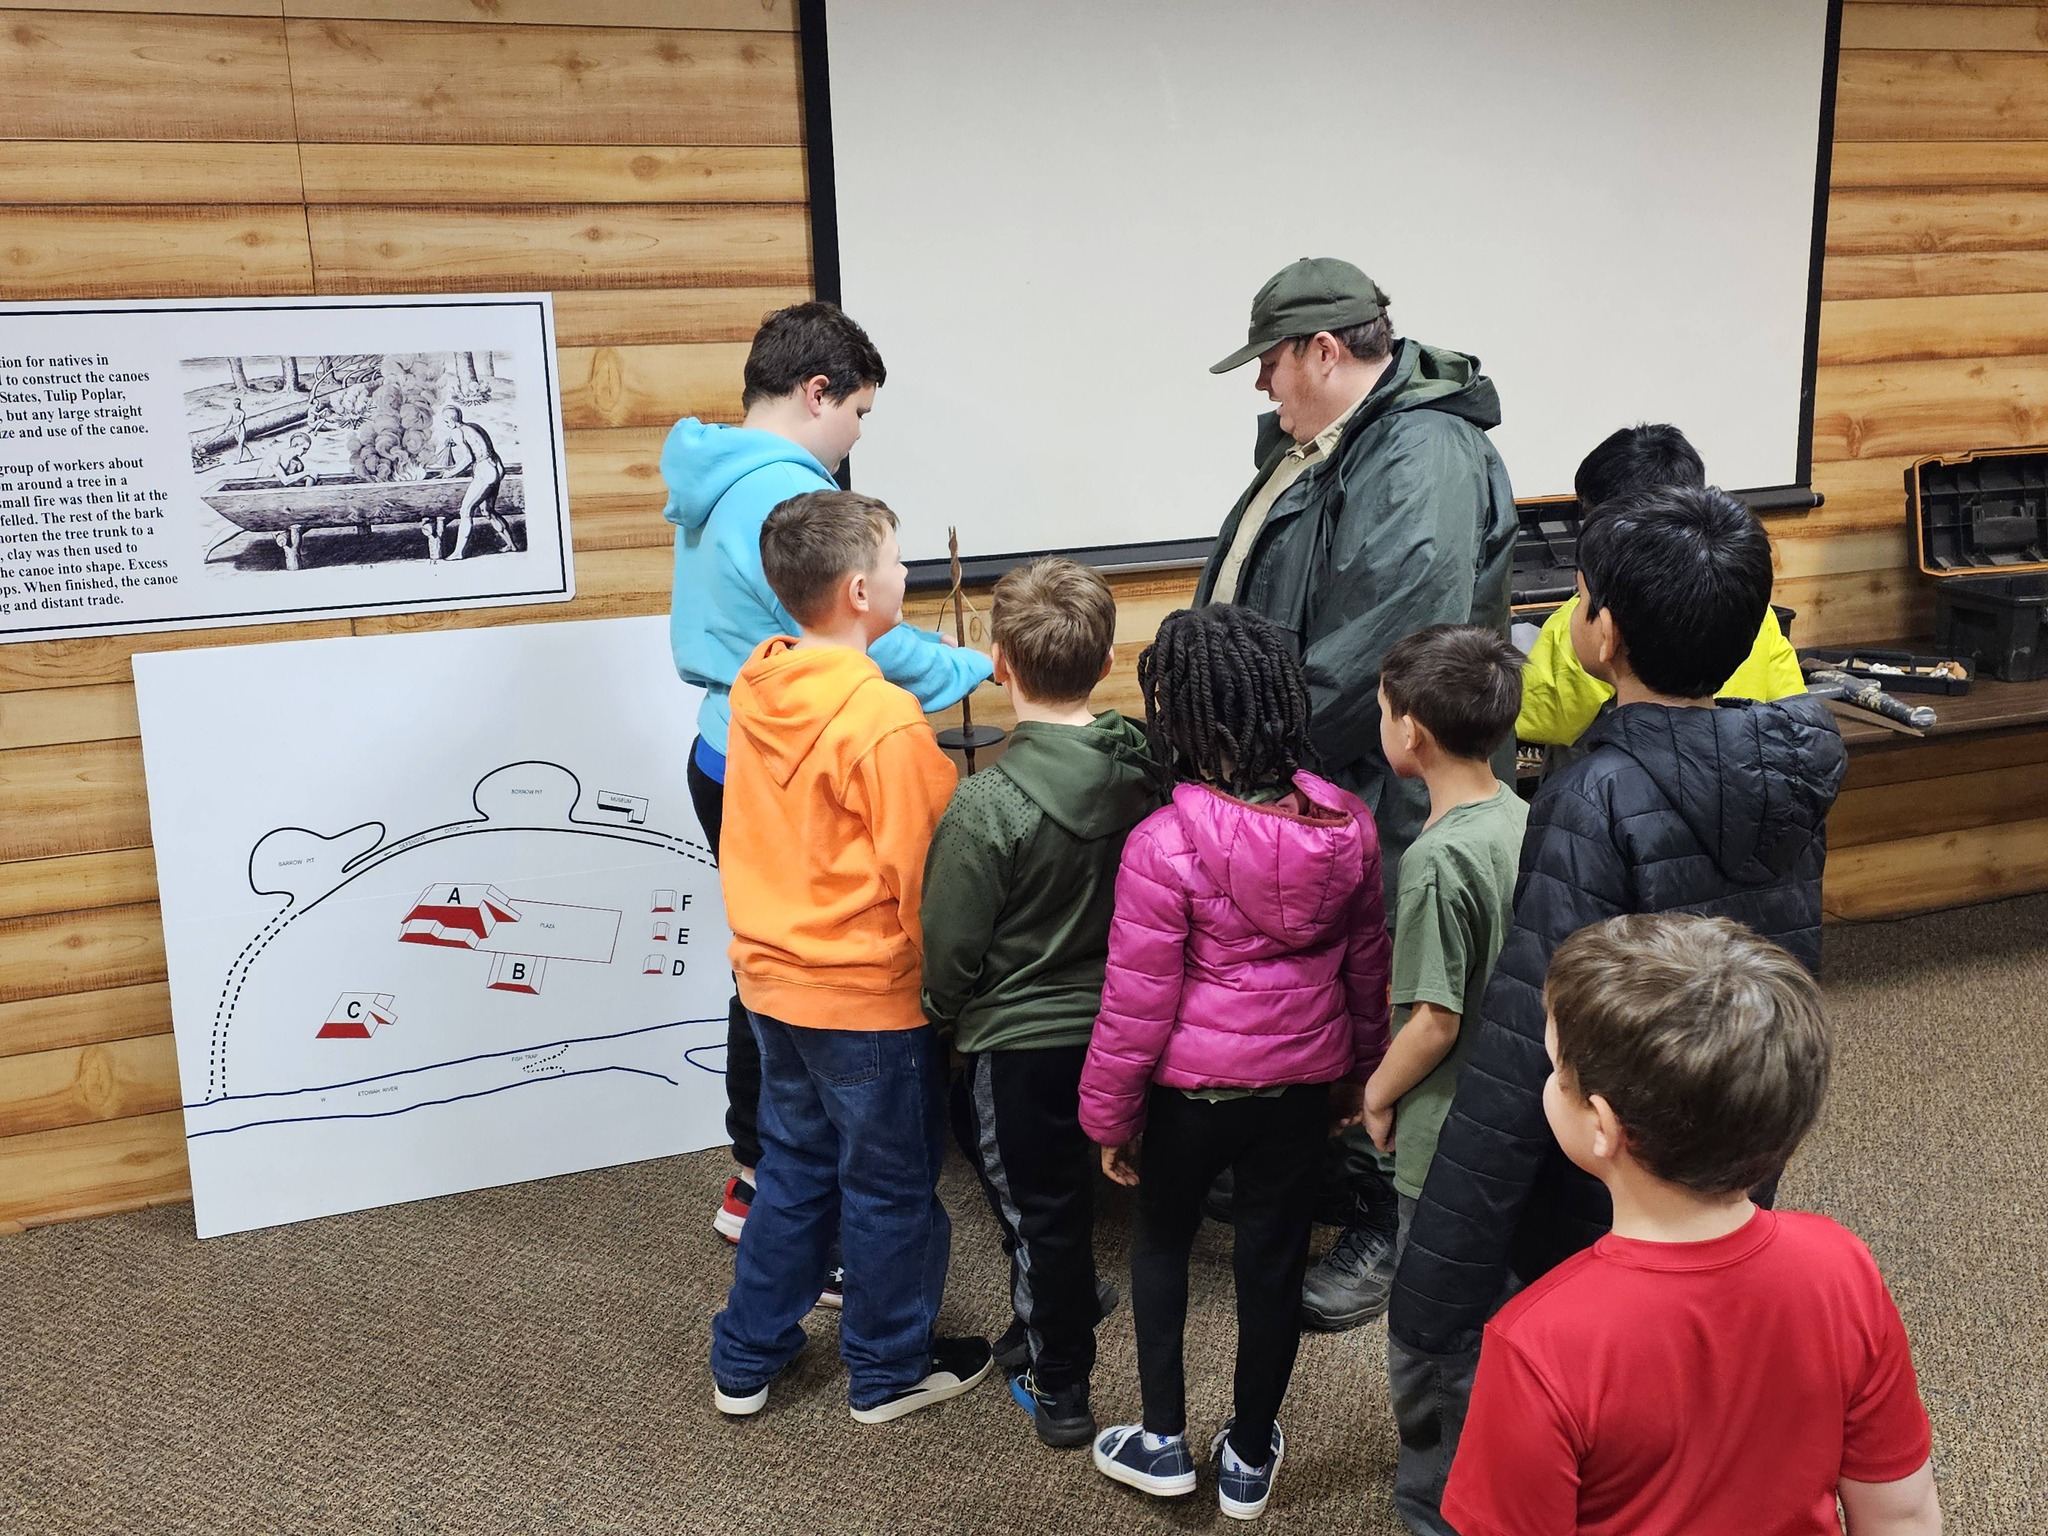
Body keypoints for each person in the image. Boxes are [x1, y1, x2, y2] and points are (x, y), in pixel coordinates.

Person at [1386, 484, 1849, 1535]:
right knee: (1686, 1340)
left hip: (1602, 1164)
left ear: (1604, 631)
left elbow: (1518, 1043)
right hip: (1728, 1138)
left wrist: (1435, 1284)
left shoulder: (1589, 796)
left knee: (1579, 1361)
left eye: (1581, 596)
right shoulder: (1787, 768)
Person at [1201, 256, 1518, 1332]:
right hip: (1332, 770)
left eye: (1270, 365)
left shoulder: (1419, 455)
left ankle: (1403, 1220)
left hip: (1394, 780)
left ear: (1323, 352)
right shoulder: (1333, 439)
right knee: (1356, 987)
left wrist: (1246, 751)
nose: (1261, 388)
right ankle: (1355, 1165)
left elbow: (1381, 650)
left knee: (1407, 993)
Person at [663, 301, 991, 1244]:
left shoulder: (720, 475)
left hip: (731, 744)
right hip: (791, 763)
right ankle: (808, 1182)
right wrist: (981, 666)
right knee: (820, 967)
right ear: (819, 393)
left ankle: (758, 1175)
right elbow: (869, 644)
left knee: (766, 960)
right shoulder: (785, 497)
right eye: (859, 414)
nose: (855, 438)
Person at [1443, 915, 1939, 1536]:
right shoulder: (1843, 1268)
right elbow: (1903, 1512)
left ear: (1602, 1124)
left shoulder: (1535, 1345)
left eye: (1555, 1068)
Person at [1079, 604, 1391, 1522]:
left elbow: (1133, 1006)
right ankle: (1250, 1454)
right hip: (1298, 1091)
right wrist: (1357, 1076)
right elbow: (1367, 970)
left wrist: (1108, 1119)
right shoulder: (1350, 828)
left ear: (1173, 719)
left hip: (1188, 1098)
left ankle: (1163, 1440)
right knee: (1273, 1260)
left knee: (1164, 1245)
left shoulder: (1160, 844)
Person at [708, 489, 992, 1425]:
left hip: (770, 984)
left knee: (792, 1166)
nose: (910, 574)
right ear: (863, 588)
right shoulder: (887, 724)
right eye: (901, 561)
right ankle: (887, 1370)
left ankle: (746, 1357)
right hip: (865, 999)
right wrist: (949, 995)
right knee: (891, 1187)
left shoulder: (760, 679)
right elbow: (926, 886)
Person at [921, 558, 1164, 1450]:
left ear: (998, 663)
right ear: (1104, 665)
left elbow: (950, 952)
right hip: (1134, 1032)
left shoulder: (984, 807)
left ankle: (1059, 1381)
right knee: (1058, 1214)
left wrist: (945, 1017)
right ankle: (1057, 1301)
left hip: (1021, 1049)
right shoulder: (1146, 772)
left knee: (1041, 1216)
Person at [1355, 625, 1529, 1518]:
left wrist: (1375, 1097)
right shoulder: (1518, 816)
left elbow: (1433, 1020)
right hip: (1512, 1118)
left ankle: (1439, 1502)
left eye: (1385, 711)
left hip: (1442, 1137)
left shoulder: (1433, 863)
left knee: (1430, 1331)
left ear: (1411, 731)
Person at [1516, 424, 1805, 764]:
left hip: (1615, 787)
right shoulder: (1752, 608)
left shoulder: (1594, 615)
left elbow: (1536, 717)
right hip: (1733, 776)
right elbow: (1790, 706)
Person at [430, 405, 514, 561]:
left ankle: (459, 552)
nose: (446, 424)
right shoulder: (474, 427)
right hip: (496, 467)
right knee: (488, 511)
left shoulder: (456, 432)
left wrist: (451, 473)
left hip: (484, 472)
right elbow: (488, 450)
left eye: (445, 421)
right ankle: (512, 544)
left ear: (449, 420)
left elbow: (469, 458)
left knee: (465, 511)